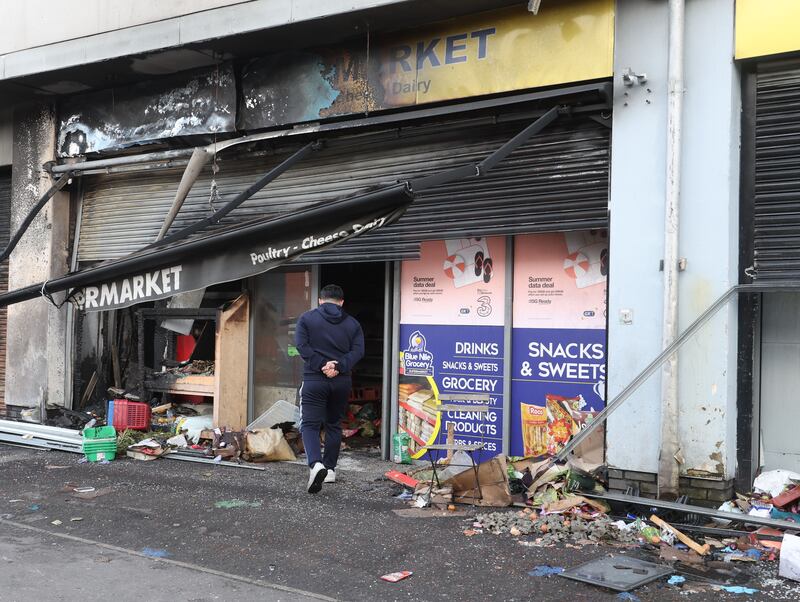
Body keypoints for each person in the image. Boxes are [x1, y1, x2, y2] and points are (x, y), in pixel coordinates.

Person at [295, 284, 364, 493]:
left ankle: (316, 465)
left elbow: (301, 345)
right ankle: (330, 469)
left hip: (314, 379)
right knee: (333, 423)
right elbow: (359, 351)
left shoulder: (306, 319)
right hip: (341, 381)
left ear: (320, 300)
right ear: (342, 302)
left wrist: (321, 365)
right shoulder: (353, 324)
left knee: (310, 424)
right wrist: (339, 366)